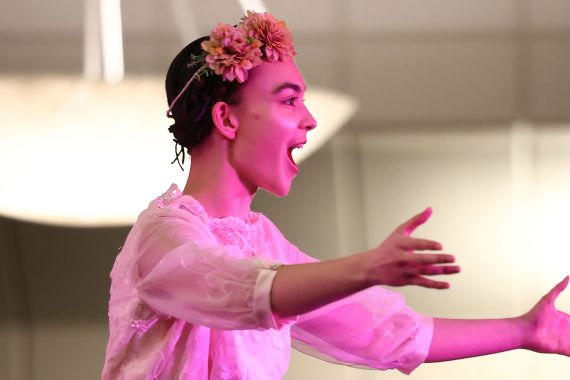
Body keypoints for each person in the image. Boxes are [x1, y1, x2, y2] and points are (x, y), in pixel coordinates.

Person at [102, 11, 570, 379]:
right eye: (288, 100)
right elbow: (236, 287)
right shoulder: (162, 235)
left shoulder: (263, 244)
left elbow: (388, 333)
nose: (309, 120)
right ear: (226, 119)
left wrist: (525, 330)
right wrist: (368, 267)